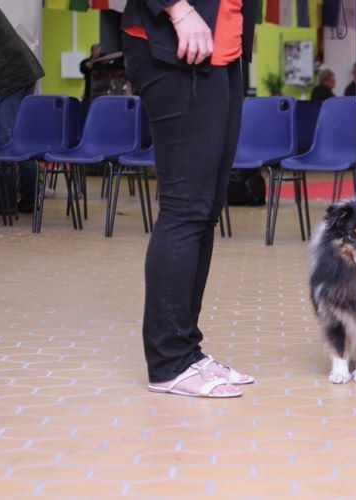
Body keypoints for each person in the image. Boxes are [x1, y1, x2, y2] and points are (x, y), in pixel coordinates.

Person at [122, 0, 258, 398]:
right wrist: (178, 10)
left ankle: (186, 350)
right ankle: (167, 363)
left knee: (205, 210)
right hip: (175, 43)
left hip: (221, 51)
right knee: (184, 209)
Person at [0, 6, 45, 213]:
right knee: (23, 139)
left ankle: (5, 202)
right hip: (23, 70)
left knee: (4, 140)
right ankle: (30, 198)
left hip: (11, 76)